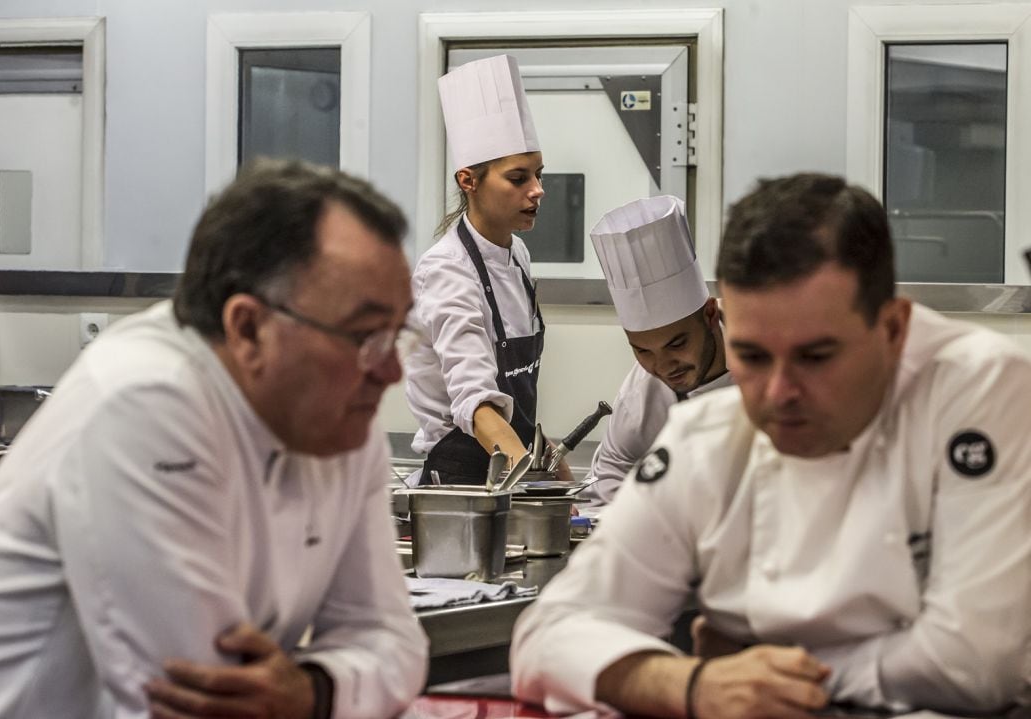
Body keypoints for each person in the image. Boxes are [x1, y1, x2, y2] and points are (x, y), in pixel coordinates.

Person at [511, 173, 1031, 717]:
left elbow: (974, 663)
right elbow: (546, 636)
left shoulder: (980, 389)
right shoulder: (706, 437)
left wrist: (768, 665)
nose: (779, 394)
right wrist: (691, 683)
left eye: (816, 357)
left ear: (894, 330)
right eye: (753, 358)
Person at [0, 159, 428, 718]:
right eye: (365, 335)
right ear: (248, 328)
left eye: (398, 334)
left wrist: (315, 690)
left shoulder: (338, 414)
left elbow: (394, 642)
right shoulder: (143, 402)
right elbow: (203, 699)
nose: (391, 371)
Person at [405, 54, 570, 485]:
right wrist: (529, 482)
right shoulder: (445, 270)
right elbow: (476, 401)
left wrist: (552, 466)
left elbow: (512, 397)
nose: (538, 190)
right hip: (459, 483)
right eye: (518, 178)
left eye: (538, 174)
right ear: (468, 181)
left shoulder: (517, 255)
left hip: (508, 462)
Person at [584, 195, 732, 506]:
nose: (663, 366)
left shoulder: (767, 354)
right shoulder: (641, 395)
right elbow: (609, 474)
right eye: (642, 351)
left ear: (710, 314)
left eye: (677, 344)